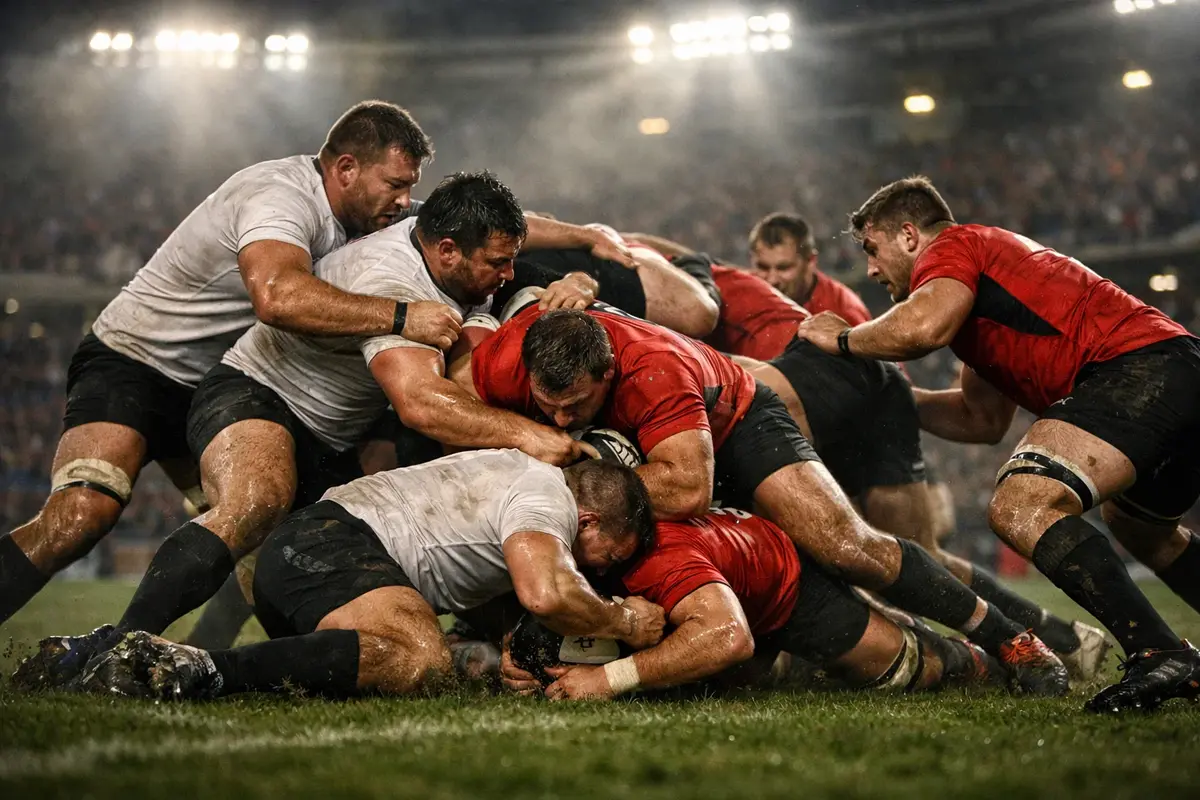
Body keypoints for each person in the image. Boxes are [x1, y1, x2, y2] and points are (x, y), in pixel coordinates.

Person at [12, 172, 602, 687]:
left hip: (331, 440)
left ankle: (208, 662)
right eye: (497, 264)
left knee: (323, 568)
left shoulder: (446, 245)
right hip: (256, 395)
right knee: (254, 503)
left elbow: (512, 250)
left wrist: (582, 258)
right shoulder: (393, 277)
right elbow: (422, 404)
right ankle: (116, 644)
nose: (507, 274)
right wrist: (528, 437)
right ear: (447, 252)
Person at [0, 100, 454, 624]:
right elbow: (277, 296)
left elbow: (468, 224)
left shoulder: (370, 213)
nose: (405, 200)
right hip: (135, 362)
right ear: (346, 168)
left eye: (409, 188)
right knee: (82, 514)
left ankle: (196, 657)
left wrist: (575, 236)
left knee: (259, 526)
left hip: (215, 386)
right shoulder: (279, 196)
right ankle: (125, 640)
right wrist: (402, 316)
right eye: (395, 184)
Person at [465, 307, 1070, 694]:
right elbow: (445, 407)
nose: (562, 418)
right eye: (550, 404)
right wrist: (526, 438)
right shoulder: (505, 362)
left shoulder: (650, 372)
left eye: (577, 404)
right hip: (651, 463)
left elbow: (686, 488)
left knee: (849, 547)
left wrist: (565, 477)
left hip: (733, 426)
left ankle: (1016, 640)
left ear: (608, 374)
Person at [795, 175, 1200, 712]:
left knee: (1022, 503)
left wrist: (842, 340)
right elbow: (979, 418)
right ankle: (1167, 654)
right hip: (1170, 372)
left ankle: (1158, 652)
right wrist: (896, 401)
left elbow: (921, 328)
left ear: (911, 236)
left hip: (1140, 369)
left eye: (873, 249)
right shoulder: (981, 297)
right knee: (1143, 528)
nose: (870, 268)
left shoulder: (954, 247)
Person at [69, 451, 664, 700]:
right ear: (588, 518)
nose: (601, 570)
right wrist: (626, 620)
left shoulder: (520, 483)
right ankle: (187, 666)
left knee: (421, 654)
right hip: (331, 544)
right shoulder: (545, 498)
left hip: (323, 558)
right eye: (609, 555)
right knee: (418, 655)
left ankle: (93, 655)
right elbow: (548, 591)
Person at [502, 506, 1001, 700]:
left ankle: (973, 654)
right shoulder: (560, 533)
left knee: (912, 670)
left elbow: (730, 637)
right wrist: (521, 653)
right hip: (736, 576)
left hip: (787, 586)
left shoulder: (655, 563)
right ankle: (786, 662)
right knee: (716, 677)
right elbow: (545, 602)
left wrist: (606, 679)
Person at [746, 212, 871, 324]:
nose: (772, 279)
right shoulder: (740, 294)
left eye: (783, 268)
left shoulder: (843, 311)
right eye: (763, 267)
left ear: (811, 261)